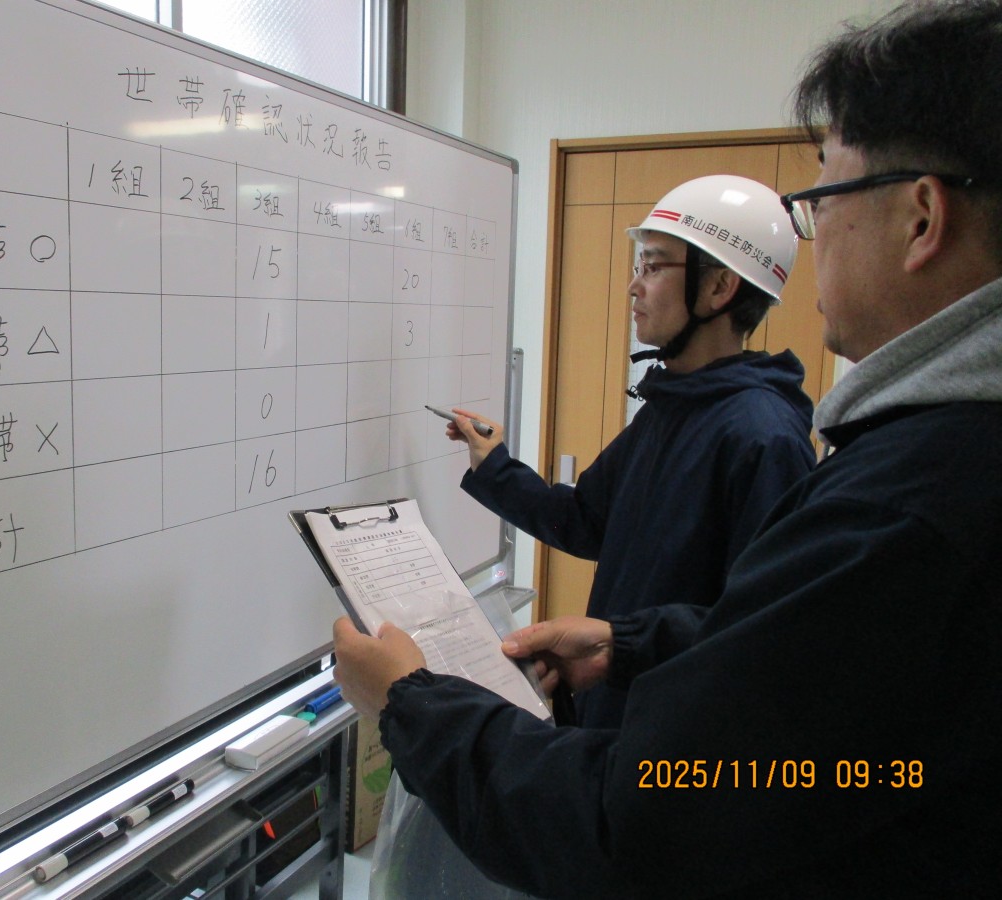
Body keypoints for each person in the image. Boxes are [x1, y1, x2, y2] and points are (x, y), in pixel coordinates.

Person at [333, 1, 1002, 897]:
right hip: (633, 725)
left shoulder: (807, 455)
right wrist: (614, 623)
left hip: (657, 768)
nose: (635, 286)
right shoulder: (681, 412)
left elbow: (669, 806)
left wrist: (410, 700)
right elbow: (600, 526)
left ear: (921, 216)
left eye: (824, 202)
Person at [445, 174, 817, 729]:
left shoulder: (763, 438)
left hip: (675, 743)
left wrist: (621, 650)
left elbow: (763, 628)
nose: (633, 286)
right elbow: (586, 521)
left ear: (719, 288)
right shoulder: (672, 409)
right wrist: (494, 466)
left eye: (654, 266)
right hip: (615, 715)